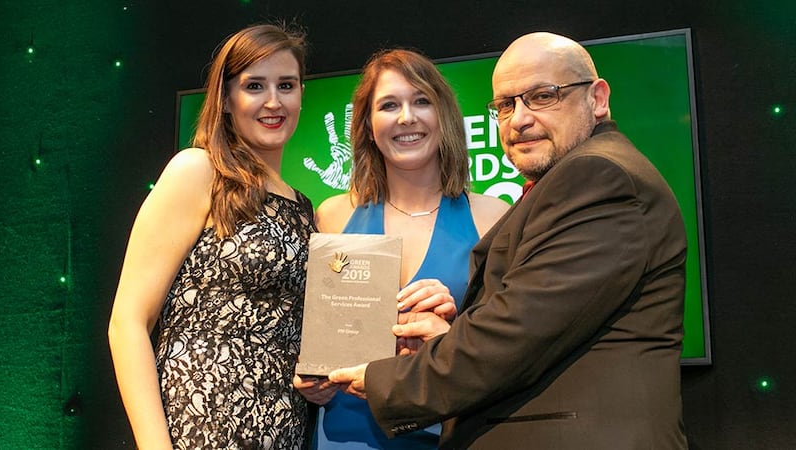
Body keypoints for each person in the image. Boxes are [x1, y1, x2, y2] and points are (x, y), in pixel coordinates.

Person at [328, 32, 689, 449]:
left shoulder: (598, 176)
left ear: (598, 98)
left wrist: (380, 380)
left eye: (543, 96)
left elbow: (515, 333)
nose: (519, 119)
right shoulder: (568, 182)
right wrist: (446, 337)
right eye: (505, 105)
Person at [108, 23, 316, 449]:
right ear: (225, 99)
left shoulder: (305, 207)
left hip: (286, 432)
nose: (273, 101)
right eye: (254, 86)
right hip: (200, 427)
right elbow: (127, 322)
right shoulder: (198, 171)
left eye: (286, 85)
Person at [294, 49, 510, 449]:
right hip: (345, 438)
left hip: (450, 437)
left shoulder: (493, 218)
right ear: (368, 126)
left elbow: (508, 350)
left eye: (421, 101)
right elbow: (312, 338)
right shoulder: (333, 216)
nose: (406, 117)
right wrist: (311, 382)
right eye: (389, 105)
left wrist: (452, 332)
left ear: (444, 117)